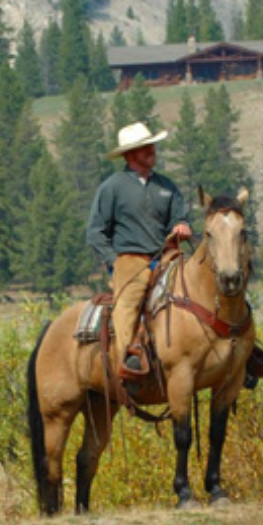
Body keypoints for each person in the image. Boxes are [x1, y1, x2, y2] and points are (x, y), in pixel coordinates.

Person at [86, 121, 192, 377]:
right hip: (130, 260)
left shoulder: (167, 186)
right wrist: (115, 261)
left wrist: (181, 225)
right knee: (127, 305)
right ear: (129, 154)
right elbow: (95, 231)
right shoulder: (112, 187)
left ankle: (233, 352)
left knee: (199, 288)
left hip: (168, 255)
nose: (152, 150)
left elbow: (180, 217)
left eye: (151, 145)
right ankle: (127, 359)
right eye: (145, 147)